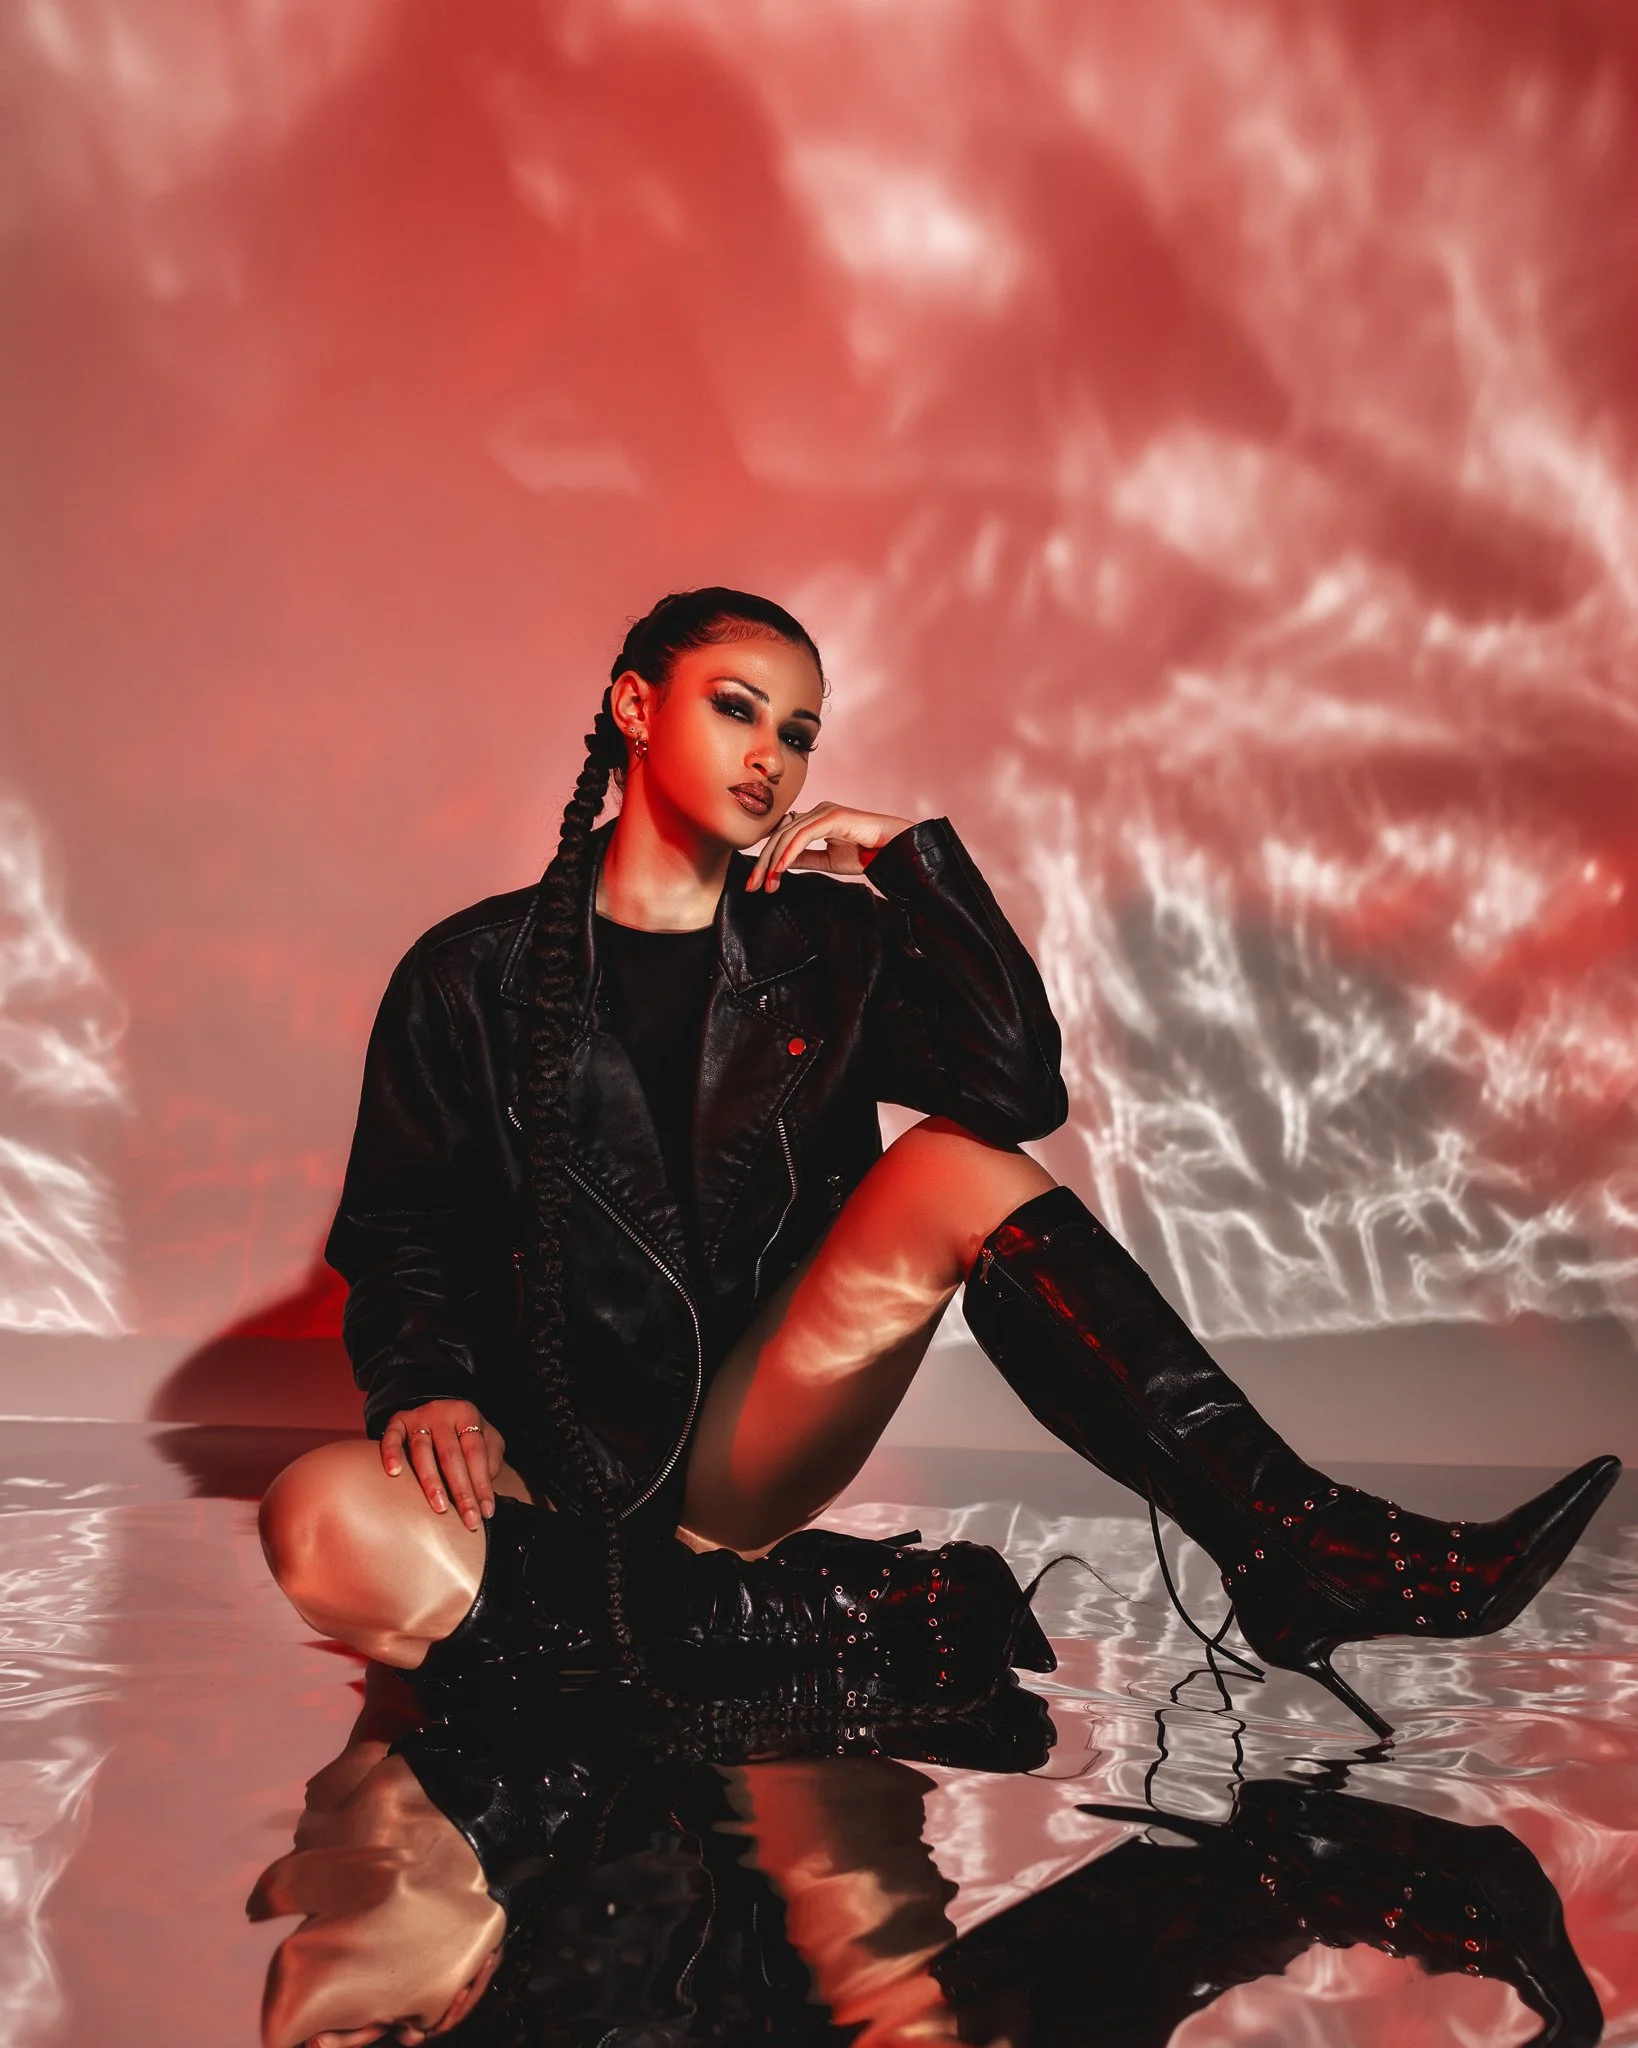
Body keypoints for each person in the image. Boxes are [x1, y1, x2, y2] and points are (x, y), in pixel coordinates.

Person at [259, 587, 1618, 1738]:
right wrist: (428, 1383)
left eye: (797, 733)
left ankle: (1297, 1543)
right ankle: (847, 1614)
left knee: (955, 1166)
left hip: (745, 1436)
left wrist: (914, 869)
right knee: (318, 1519)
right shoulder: (469, 975)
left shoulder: (826, 948)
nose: (771, 760)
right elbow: (404, 1232)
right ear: (632, 708)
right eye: (735, 708)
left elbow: (1014, 1092)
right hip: (536, 1467)